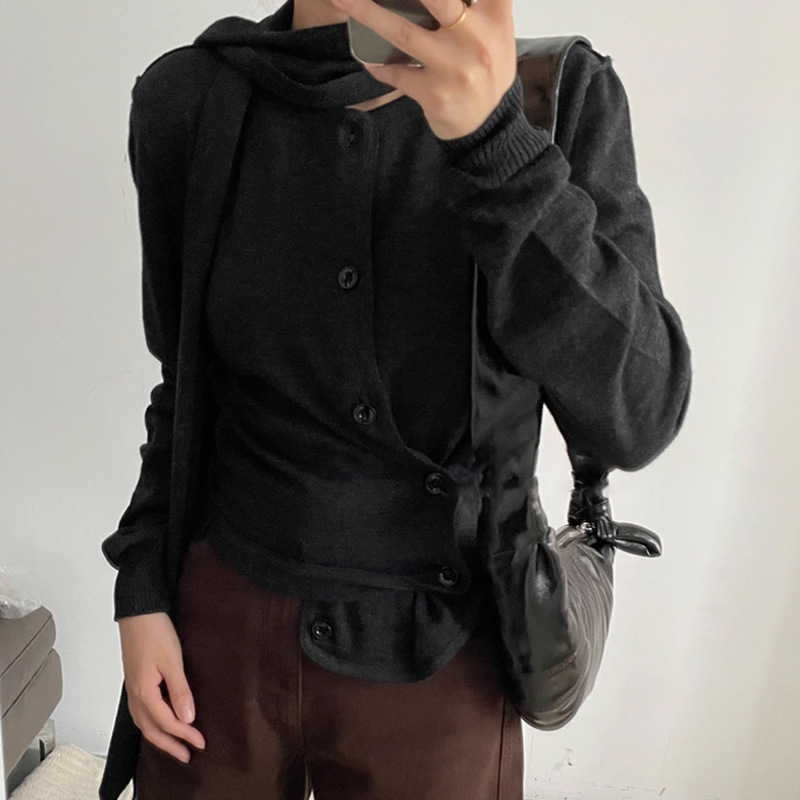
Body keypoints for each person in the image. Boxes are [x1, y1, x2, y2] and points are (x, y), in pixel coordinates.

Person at [100, 0, 692, 796]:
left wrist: (496, 147)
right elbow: (184, 382)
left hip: (444, 657)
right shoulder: (189, 98)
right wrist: (140, 589)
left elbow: (639, 413)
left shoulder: (552, 96)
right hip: (219, 636)